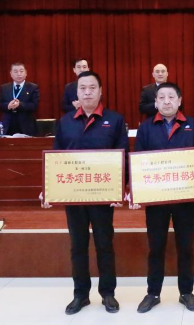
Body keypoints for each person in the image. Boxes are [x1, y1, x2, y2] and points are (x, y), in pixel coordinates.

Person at [40, 71, 128, 315]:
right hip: (74, 195)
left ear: (100, 91)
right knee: (77, 245)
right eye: (83, 88)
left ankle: (108, 293)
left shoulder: (115, 120)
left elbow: (123, 155)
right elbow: (56, 158)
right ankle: (81, 294)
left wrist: (121, 188)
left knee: (104, 244)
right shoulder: (65, 121)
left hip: (102, 195)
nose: (87, 92)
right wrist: (48, 188)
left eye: (92, 88)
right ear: (76, 93)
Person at [129, 82, 194, 314]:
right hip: (156, 200)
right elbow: (138, 160)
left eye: (171, 97)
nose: (166, 101)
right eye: (162, 97)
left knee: (185, 247)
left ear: (179, 101)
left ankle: (186, 292)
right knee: (156, 247)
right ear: (155, 102)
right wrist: (135, 189)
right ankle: (153, 293)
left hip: (184, 199)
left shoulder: (192, 125)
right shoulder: (146, 128)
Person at [0, 62, 39, 136]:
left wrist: (20, 105)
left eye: (21, 71)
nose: (19, 74)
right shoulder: (4, 87)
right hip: (8, 125)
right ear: (11, 74)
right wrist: (8, 105)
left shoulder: (33, 87)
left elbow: (35, 105)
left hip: (26, 125)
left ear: (26, 73)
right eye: (15, 71)